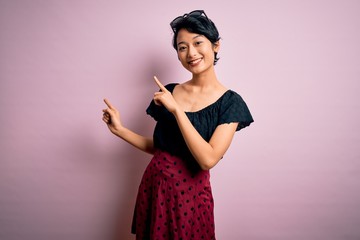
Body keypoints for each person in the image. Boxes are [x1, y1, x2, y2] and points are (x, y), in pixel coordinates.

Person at [102, 10, 253, 240]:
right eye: (182, 47)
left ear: (216, 46)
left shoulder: (230, 103)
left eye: (198, 42)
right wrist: (120, 130)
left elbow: (207, 159)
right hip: (155, 187)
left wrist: (176, 110)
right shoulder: (170, 91)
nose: (191, 53)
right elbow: (162, 148)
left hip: (190, 197)